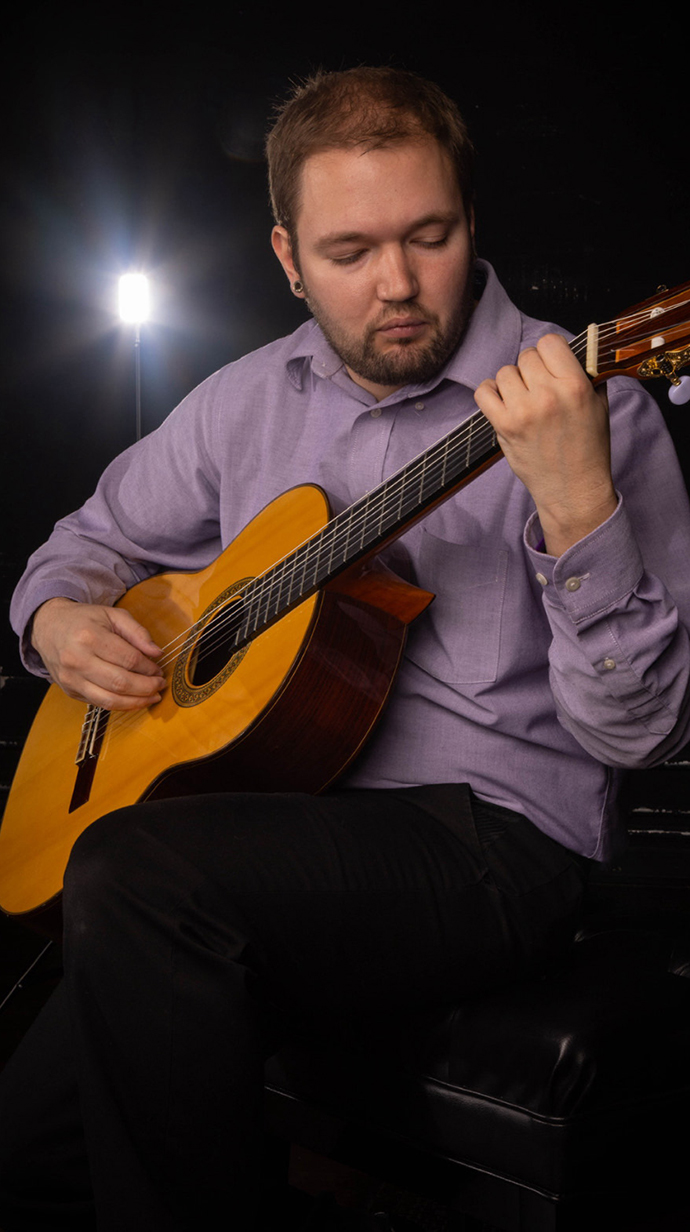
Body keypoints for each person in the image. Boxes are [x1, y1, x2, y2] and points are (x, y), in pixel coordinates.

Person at [1, 66, 689, 1231]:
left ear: (472, 219)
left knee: (134, 867)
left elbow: (644, 731)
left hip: (496, 840)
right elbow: (84, 543)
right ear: (286, 256)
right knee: (25, 1144)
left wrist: (577, 506)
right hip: (281, 824)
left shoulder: (590, 405)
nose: (399, 284)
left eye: (431, 235)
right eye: (350, 251)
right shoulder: (241, 401)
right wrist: (57, 620)